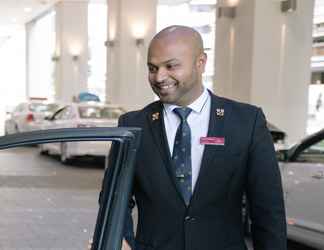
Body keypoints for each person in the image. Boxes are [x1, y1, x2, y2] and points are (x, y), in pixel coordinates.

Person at [115, 25, 286, 250]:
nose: (159, 76)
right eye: (152, 68)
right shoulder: (133, 125)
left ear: (201, 62)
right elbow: (116, 199)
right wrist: (122, 240)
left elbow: (268, 209)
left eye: (171, 66)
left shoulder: (246, 121)